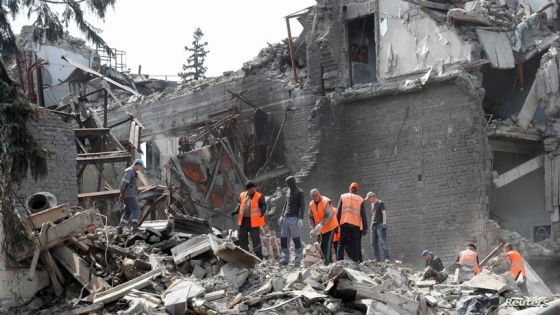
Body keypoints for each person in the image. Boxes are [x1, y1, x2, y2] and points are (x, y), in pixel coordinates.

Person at [232, 181, 266, 259]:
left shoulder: (259, 196)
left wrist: (262, 211)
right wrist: (235, 211)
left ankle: (259, 256)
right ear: (247, 189)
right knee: (242, 237)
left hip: (254, 220)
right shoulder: (242, 195)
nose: (252, 190)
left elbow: (263, 205)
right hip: (244, 220)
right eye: (250, 189)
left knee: (255, 239)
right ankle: (246, 254)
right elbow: (239, 204)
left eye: (253, 188)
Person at [336, 182, 368, 262]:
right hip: (355, 225)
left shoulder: (343, 197)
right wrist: (365, 228)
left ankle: (339, 261)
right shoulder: (360, 199)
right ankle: (355, 261)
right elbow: (363, 215)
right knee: (356, 244)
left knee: (341, 243)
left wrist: (337, 225)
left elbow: (338, 212)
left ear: (349, 189)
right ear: (357, 190)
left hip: (345, 224)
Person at [278, 176, 305, 266]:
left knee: (296, 239)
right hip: (285, 218)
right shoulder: (288, 191)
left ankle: (298, 261)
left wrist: (301, 218)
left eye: (288, 183)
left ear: (293, 182)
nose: (287, 184)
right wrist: (282, 215)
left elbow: (302, 206)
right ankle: (285, 259)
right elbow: (286, 203)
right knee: (284, 239)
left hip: (294, 218)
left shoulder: (299, 192)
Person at [309, 189, 339, 265]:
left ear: (319, 194)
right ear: (311, 196)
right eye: (313, 196)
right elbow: (310, 217)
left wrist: (321, 224)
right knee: (322, 245)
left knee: (327, 244)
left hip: (330, 226)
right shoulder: (311, 204)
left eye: (316, 195)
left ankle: (327, 262)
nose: (315, 197)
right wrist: (313, 228)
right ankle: (329, 261)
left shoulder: (326, 201)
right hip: (321, 228)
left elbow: (329, 215)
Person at [117, 159, 144, 234]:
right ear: (137, 165)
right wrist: (122, 192)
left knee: (127, 212)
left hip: (130, 194)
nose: (140, 168)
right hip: (129, 195)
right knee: (136, 209)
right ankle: (135, 228)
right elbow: (124, 182)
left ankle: (120, 227)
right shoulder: (130, 171)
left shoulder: (132, 171)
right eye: (140, 166)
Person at [367, 192, 390, 262]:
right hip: (373, 226)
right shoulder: (372, 204)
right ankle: (377, 259)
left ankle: (387, 258)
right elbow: (373, 216)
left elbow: (384, 213)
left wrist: (384, 224)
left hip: (380, 225)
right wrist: (371, 225)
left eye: (369, 198)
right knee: (373, 243)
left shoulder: (380, 203)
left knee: (383, 242)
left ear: (372, 197)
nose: (368, 200)